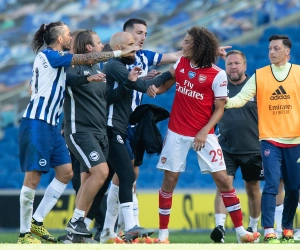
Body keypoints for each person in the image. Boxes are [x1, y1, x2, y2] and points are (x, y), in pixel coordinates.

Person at [17, 21, 138, 244]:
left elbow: (71, 77)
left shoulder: (60, 63)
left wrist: (86, 78)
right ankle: (24, 233)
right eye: (68, 33)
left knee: (65, 173)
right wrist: (119, 51)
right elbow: (82, 59)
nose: (72, 36)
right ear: (60, 39)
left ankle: (38, 220)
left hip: (52, 125)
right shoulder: (50, 55)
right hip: (37, 122)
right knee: (33, 179)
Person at [147, 26, 260, 244]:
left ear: (198, 46)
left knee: (223, 182)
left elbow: (219, 108)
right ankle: (163, 236)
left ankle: (240, 232)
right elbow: (166, 85)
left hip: (205, 134)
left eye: (188, 42)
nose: (183, 44)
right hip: (177, 132)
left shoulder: (217, 74)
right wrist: (155, 90)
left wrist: (203, 131)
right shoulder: (181, 63)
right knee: (169, 181)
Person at [99, 31, 174, 243]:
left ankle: (106, 231)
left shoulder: (121, 67)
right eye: (131, 43)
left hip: (119, 129)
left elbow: (134, 86)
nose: (136, 47)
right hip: (110, 128)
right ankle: (129, 227)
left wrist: (142, 80)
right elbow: (141, 86)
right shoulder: (115, 65)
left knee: (116, 178)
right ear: (119, 48)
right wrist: (171, 73)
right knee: (126, 175)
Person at [224, 34, 300, 244]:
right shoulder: (260, 75)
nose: (271, 52)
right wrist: (224, 102)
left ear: (287, 52)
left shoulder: (298, 73)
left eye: (276, 48)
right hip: (270, 139)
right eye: (269, 49)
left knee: (294, 188)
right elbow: (241, 98)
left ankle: (287, 228)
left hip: (295, 141)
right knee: (271, 185)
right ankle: (269, 231)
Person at [210, 50, 264, 243]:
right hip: (226, 147)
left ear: (245, 66)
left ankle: (253, 227)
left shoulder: (257, 87)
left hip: (253, 148)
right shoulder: (219, 86)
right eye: (230, 64)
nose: (233, 67)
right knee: (224, 185)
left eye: (237, 63)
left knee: (252, 189)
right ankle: (220, 228)